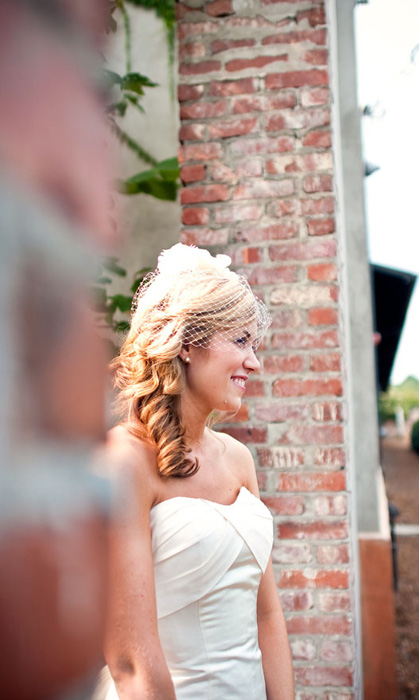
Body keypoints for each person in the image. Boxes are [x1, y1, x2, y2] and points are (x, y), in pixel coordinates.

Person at [96, 244, 294, 699]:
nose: (254, 362)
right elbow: (130, 662)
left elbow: (267, 614)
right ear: (187, 343)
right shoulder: (122, 461)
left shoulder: (239, 460)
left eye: (254, 344)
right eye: (240, 341)